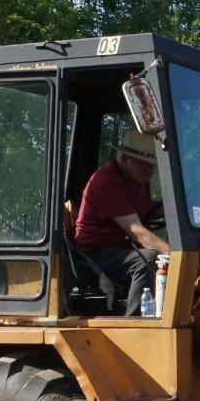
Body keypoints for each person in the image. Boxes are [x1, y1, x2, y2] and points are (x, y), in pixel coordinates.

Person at [72, 130, 169, 314]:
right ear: (124, 158)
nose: (148, 170)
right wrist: (172, 252)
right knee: (146, 259)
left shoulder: (138, 178)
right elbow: (136, 231)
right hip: (94, 253)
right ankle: (137, 323)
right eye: (142, 163)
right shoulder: (108, 181)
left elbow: (144, 210)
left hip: (119, 248)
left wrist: (174, 207)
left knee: (153, 256)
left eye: (151, 165)